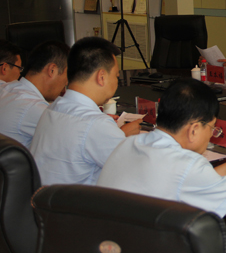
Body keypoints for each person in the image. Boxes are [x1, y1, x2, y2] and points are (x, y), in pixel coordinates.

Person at [98, 78, 226, 222]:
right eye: (212, 128)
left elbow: (183, 182)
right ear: (193, 130)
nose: (211, 135)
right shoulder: (187, 165)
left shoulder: (128, 144)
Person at [30, 37, 142, 185]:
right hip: (75, 199)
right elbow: (139, 172)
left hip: (44, 196)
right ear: (101, 77)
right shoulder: (96, 124)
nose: (117, 82)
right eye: (116, 76)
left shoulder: (52, 109)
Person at [0, 41, 70, 148]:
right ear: (52, 70)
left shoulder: (5, 89)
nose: (66, 82)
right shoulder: (34, 108)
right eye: (67, 74)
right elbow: (75, 136)